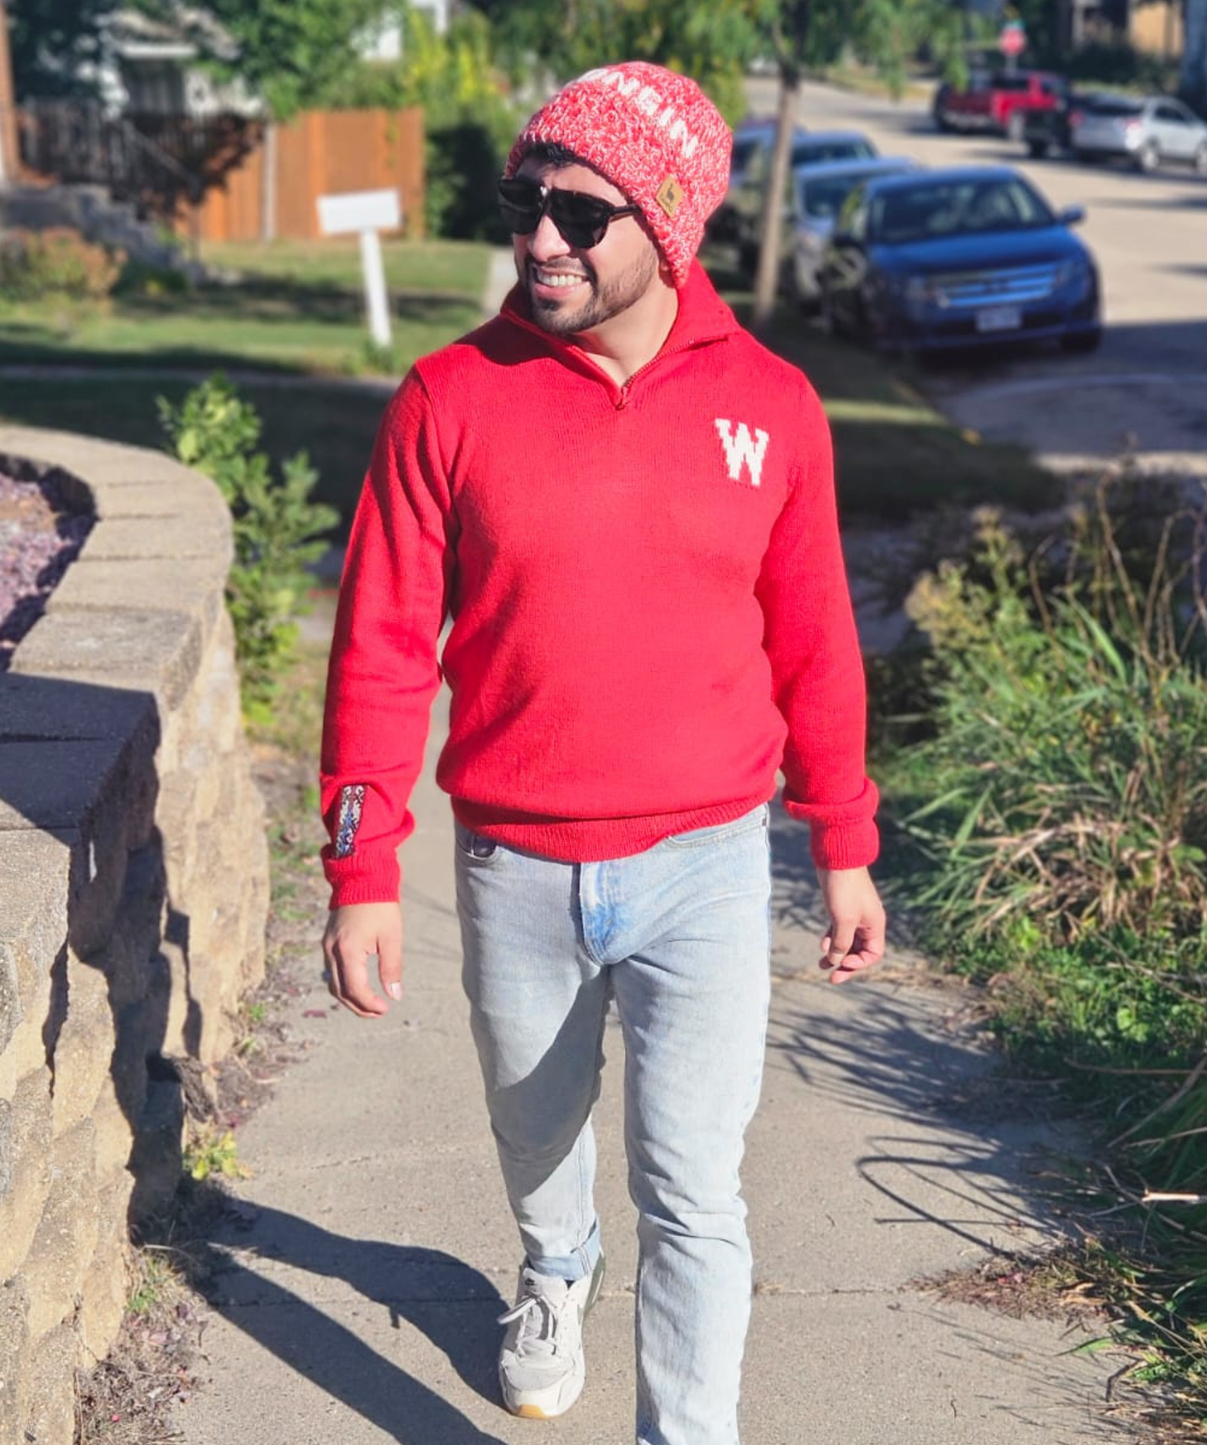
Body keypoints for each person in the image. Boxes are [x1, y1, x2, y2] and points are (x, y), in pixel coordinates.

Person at [319, 60, 886, 1445]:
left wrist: (847, 844)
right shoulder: (450, 398)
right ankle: (555, 1266)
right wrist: (361, 867)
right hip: (513, 864)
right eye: (526, 203)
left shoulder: (775, 411)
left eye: (581, 212)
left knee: (694, 1188)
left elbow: (816, 641)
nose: (541, 239)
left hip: (704, 863)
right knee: (535, 1138)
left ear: (672, 226)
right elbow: (383, 641)